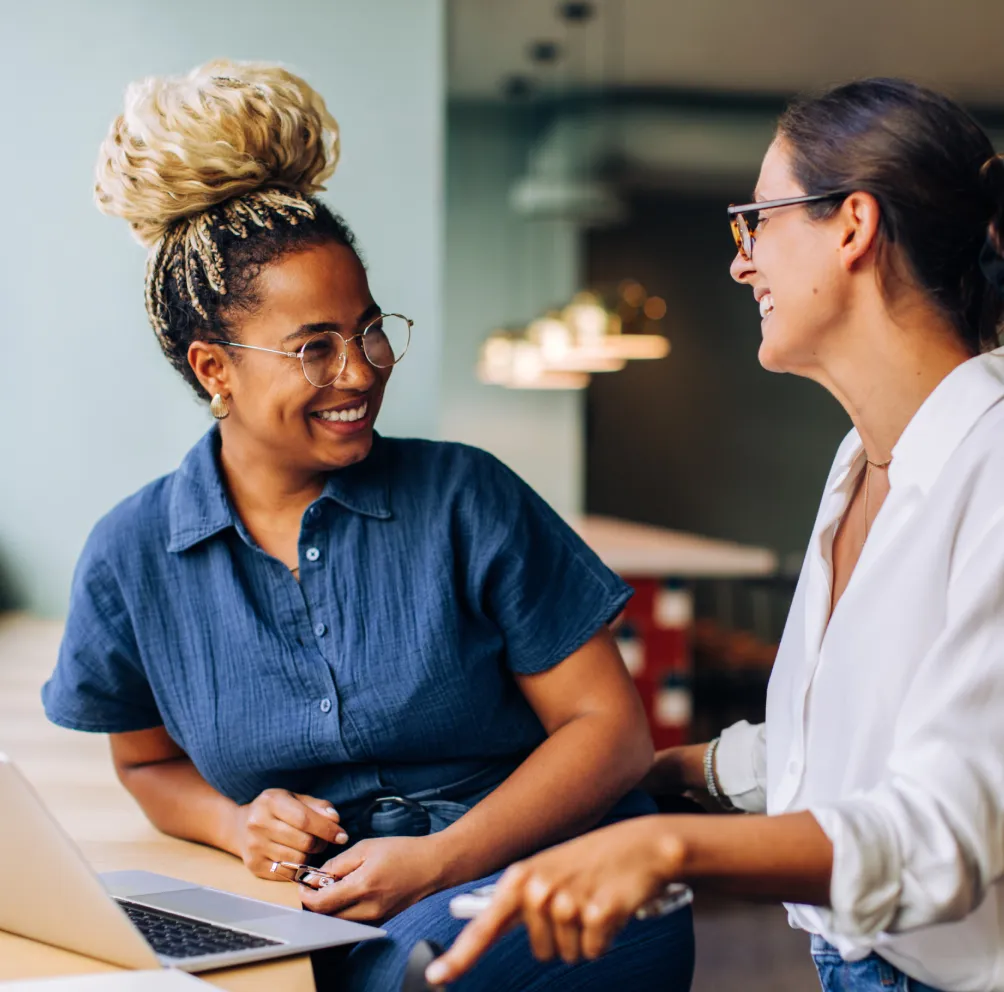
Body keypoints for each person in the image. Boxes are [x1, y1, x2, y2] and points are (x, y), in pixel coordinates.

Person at [40, 60, 694, 991]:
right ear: (213, 369)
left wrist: (440, 858)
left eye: (369, 329)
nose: (362, 370)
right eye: (315, 347)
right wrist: (238, 824)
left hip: (566, 869)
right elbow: (145, 763)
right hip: (336, 905)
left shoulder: (468, 496)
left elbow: (611, 731)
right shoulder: (132, 554)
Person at [428, 78, 1004, 992]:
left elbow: (947, 829)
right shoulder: (863, 456)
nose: (741, 263)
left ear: (852, 226)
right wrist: (658, 774)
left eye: (758, 221)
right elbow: (850, 748)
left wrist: (671, 847)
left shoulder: (994, 467)